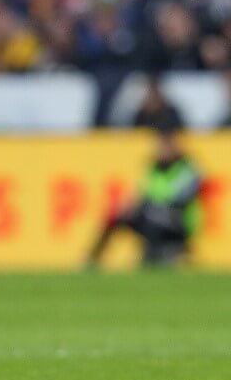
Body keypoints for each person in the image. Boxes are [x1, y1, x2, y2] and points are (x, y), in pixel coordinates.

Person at [86, 114, 204, 267]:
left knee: (153, 218)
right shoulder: (152, 167)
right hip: (153, 215)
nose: (164, 148)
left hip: (179, 222)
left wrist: (148, 206)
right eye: (161, 143)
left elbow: (180, 200)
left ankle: (157, 255)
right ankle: (94, 259)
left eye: (167, 143)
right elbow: (142, 194)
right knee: (120, 214)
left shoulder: (188, 168)